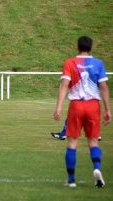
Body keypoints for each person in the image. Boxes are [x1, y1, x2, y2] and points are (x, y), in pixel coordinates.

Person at [53, 36, 111, 188]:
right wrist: (108, 109)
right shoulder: (98, 63)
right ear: (91, 48)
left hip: (76, 106)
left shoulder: (70, 62)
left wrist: (58, 106)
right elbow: (103, 87)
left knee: (72, 142)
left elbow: (64, 84)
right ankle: (97, 169)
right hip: (93, 106)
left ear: (77, 47)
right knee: (93, 142)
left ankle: (71, 181)